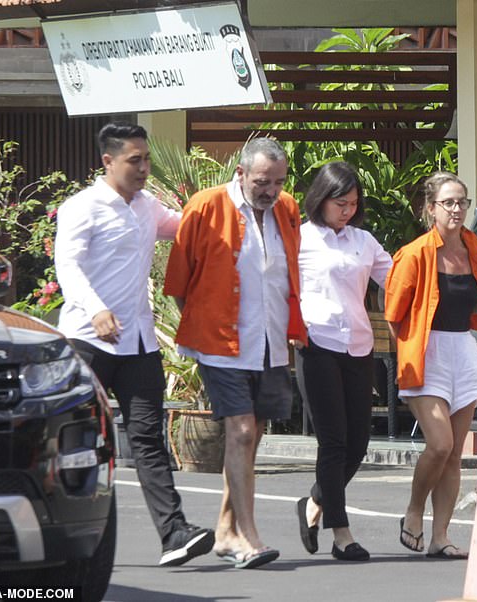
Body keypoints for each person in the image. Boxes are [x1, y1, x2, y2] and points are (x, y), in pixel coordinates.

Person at [55, 122, 214, 568]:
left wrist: (235, 202)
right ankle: (70, 542)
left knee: (147, 440)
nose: (145, 168)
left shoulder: (147, 208)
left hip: (139, 344)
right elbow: (67, 265)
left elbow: (185, 227)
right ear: (108, 161)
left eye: (146, 159)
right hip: (88, 341)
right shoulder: (82, 207)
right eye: (135, 160)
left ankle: (174, 533)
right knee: (80, 441)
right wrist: (94, 308)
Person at [164, 137, 306, 569]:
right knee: (241, 432)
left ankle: (225, 533)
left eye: (279, 182)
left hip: (271, 341)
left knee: (253, 436)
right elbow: (178, 282)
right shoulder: (205, 207)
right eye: (263, 181)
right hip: (221, 343)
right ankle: (249, 537)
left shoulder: (288, 210)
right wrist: (204, 327)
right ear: (241, 173)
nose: (271, 190)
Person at [384, 171, 477, 559]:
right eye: (448, 202)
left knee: (455, 450)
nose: (457, 209)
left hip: (462, 347)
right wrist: (412, 353)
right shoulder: (414, 254)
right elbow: (394, 316)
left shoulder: (476, 249)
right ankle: (414, 511)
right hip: (425, 351)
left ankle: (440, 536)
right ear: (431, 209)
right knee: (439, 443)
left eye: (462, 201)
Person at [294, 162, 392, 562]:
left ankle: (315, 502)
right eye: (340, 203)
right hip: (316, 345)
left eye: (353, 204)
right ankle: (342, 533)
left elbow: (399, 279)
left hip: (358, 345)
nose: (347, 210)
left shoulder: (364, 242)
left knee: (358, 443)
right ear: (321, 199)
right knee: (333, 442)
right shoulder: (298, 238)